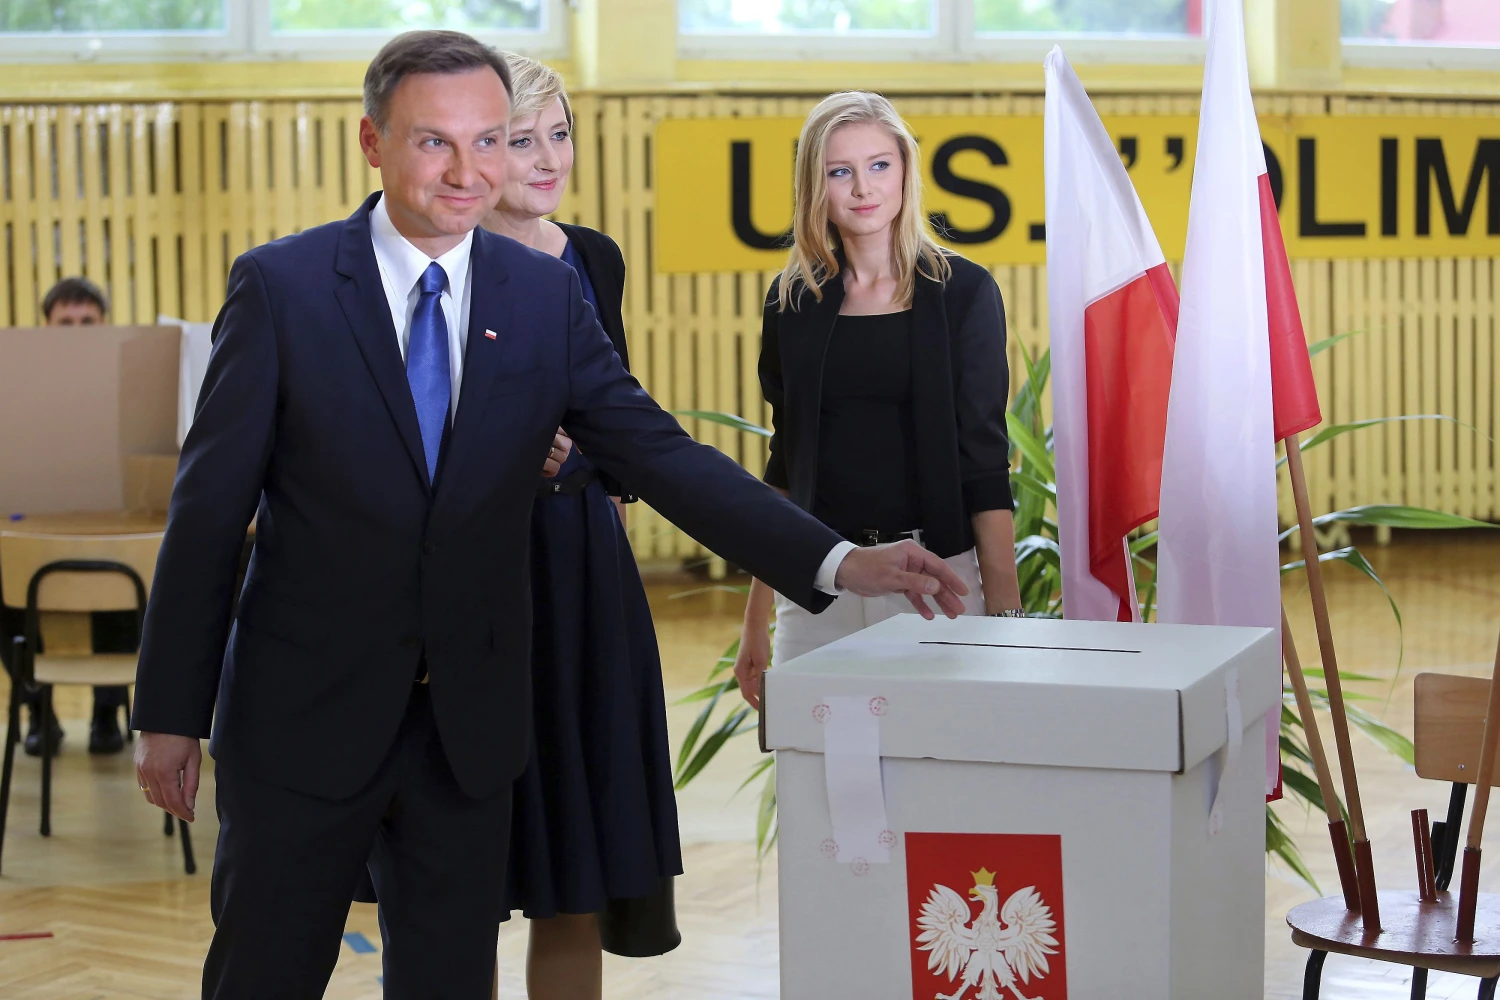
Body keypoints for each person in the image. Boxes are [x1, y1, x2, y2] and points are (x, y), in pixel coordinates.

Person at [130, 32, 968, 1000]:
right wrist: (167, 715)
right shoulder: (283, 288)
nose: (466, 170)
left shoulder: (540, 294)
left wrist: (836, 563)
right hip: (303, 721)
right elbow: (206, 514)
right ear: (372, 141)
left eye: (488, 141)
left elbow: (660, 454)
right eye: (434, 142)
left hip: (470, 726)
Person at [352, 55, 682, 999]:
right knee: (462, 862)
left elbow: (625, 438)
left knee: (572, 861)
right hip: (470, 573)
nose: (544, 159)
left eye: (558, 134)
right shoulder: (427, 262)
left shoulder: (594, 258)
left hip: (581, 570)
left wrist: (572, 459)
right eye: (519, 138)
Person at [734, 91, 1023, 711]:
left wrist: (1006, 619)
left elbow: (984, 465)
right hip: (818, 582)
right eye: (840, 171)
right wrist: (756, 617)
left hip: (936, 584)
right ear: (816, 187)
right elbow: (785, 465)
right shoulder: (793, 300)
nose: (862, 188)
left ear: (905, 173)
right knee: (816, 796)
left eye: (879, 165)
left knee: (938, 794)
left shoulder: (964, 292)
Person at [2, 277, 131, 756]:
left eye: (87, 323)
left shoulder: (132, 382)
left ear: (105, 327)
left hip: (114, 524)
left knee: (129, 575)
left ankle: (107, 710)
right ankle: (37, 708)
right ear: (45, 330)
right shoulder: (18, 384)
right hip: (36, 524)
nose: (77, 332)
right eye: (66, 324)